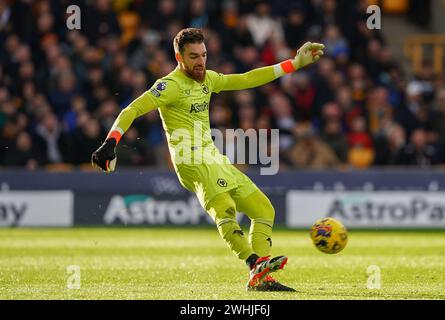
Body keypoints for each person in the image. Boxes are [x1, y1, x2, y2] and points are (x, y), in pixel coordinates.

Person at [92, 28, 324, 291]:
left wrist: (294, 64)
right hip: (190, 160)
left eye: (203, 55)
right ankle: (253, 264)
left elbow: (247, 78)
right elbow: (132, 109)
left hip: (213, 157)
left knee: (263, 209)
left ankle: (262, 278)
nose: (201, 61)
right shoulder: (169, 86)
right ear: (179, 57)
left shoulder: (208, 80)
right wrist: (111, 142)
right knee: (225, 207)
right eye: (194, 56)